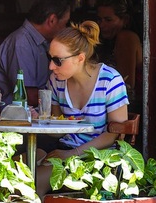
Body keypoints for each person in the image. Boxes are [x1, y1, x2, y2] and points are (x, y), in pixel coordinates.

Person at [36, 21, 129, 198]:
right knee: (25, 167)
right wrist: (41, 117)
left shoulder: (110, 80)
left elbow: (113, 134)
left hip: (101, 158)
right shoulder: (56, 81)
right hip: (64, 150)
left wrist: (72, 154)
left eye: (58, 61)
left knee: (35, 181)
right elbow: (56, 129)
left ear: (80, 57)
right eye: (50, 58)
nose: (51, 66)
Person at [0, 0, 72, 105]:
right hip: (17, 117)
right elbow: (28, 96)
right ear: (52, 20)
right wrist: (70, 101)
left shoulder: (45, 42)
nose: (65, 28)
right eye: (65, 23)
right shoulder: (21, 44)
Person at [95, 0, 143, 105]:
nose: (102, 25)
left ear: (125, 20)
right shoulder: (109, 41)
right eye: (99, 19)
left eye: (108, 20)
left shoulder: (126, 37)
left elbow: (126, 85)